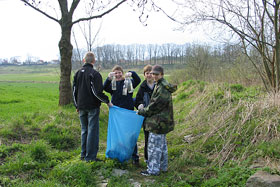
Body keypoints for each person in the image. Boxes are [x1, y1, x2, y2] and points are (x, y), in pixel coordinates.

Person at [138, 65, 177, 176]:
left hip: (158, 123)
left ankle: (153, 170)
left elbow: (154, 106)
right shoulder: (159, 84)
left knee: (154, 148)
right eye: (153, 73)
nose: (154, 76)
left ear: (162, 75)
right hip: (161, 122)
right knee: (162, 146)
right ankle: (162, 167)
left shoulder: (162, 88)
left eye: (156, 74)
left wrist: (142, 111)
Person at [73, 51, 112, 162]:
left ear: (83, 60)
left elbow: (74, 91)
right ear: (94, 61)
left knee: (84, 130)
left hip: (80, 107)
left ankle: (83, 155)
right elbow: (96, 92)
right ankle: (90, 157)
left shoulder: (77, 73)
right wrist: (107, 101)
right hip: (92, 107)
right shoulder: (95, 74)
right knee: (92, 131)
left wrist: (76, 105)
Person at [103, 65, 141, 165]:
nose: (118, 74)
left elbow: (138, 80)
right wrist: (108, 78)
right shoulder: (113, 84)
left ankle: (134, 157)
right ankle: (119, 155)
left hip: (128, 111)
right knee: (118, 134)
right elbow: (104, 87)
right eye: (116, 73)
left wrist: (132, 72)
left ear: (122, 73)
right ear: (113, 74)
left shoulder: (129, 82)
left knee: (130, 134)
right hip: (117, 113)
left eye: (119, 72)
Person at [135, 65, 155, 163]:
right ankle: (147, 159)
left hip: (157, 116)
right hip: (146, 117)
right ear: (144, 75)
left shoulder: (158, 85)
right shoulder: (142, 87)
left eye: (151, 73)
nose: (149, 75)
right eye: (147, 73)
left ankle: (157, 157)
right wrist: (139, 105)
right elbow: (137, 99)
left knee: (157, 137)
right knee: (148, 137)